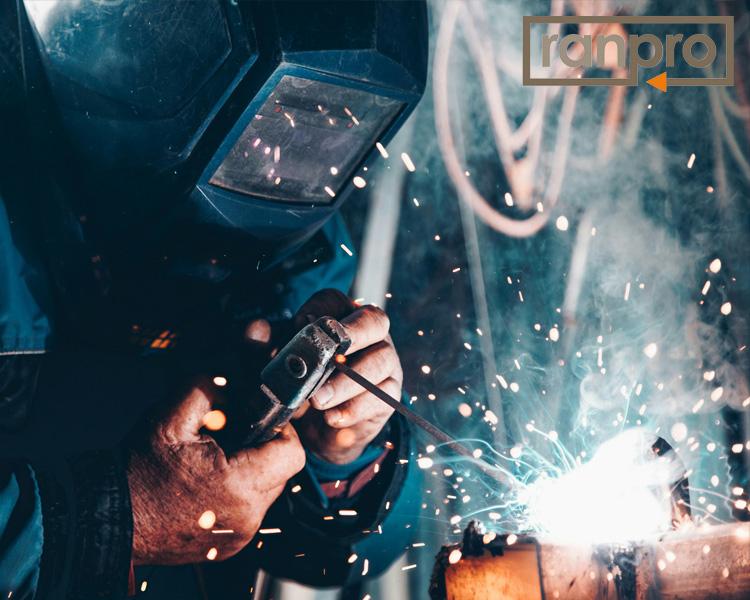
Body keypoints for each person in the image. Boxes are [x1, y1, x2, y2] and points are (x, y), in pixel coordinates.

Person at [0, 0, 428, 597]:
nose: (281, 156)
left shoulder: (289, 225)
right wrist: (102, 522)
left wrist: (347, 453)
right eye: (274, 125)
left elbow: (345, 558)